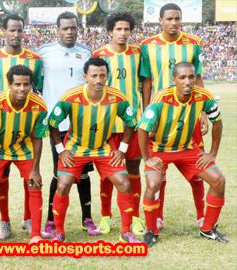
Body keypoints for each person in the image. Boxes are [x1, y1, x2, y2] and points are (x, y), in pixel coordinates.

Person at [49, 57, 139, 243]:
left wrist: (122, 149)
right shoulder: (70, 97)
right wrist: (61, 150)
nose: (98, 80)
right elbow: (52, 123)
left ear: (108, 76)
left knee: (124, 183)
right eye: (94, 75)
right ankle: (59, 232)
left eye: (102, 75)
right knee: (63, 185)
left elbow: (131, 123)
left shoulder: (117, 97)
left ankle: (125, 231)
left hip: (103, 147)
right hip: (75, 147)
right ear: (85, 76)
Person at [138, 62, 228, 247]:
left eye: (191, 77)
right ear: (174, 80)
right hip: (159, 150)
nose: (187, 82)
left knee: (218, 180)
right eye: (182, 77)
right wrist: (147, 158)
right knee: (153, 184)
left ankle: (208, 229)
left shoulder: (203, 96)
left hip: (187, 149)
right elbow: (142, 129)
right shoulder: (161, 98)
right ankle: (151, 231)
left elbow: (217, 123)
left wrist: (212, 153)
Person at [140, 3, 206, 229]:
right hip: (160, 116)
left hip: (189, 114)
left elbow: (197, 78)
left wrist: (204, 111)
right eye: (169, 19)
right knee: (159, 169)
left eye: (178, 18)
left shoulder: (193, 43)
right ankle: (157, 216)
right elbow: (146, 82)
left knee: (197, 168)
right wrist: (147, 111)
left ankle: (202, 215)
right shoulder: (147, 46)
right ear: (160, 20)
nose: (174, 23)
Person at [38, 11, 100, 238]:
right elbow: (37, 83)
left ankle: (87, 219)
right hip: (57, 125)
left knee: (83, 174)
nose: (70, 31)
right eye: (65, 28)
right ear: (57, 30)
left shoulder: (85, 52)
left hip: (82, 124)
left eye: (73, 27)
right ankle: (51, 221)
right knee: (59, 173)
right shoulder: (44, 53)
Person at [0, 14, 44, 239]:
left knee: (32, 178)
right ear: (4, 31)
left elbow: (35, 87)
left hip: (24, 132)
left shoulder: (35, 60)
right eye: (12, 30)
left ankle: (30, 221)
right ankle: (4, 222)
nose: (16, 34)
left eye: (20, 30)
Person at [0, 65, 48, 255]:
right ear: (9, 84)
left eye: (26, 84)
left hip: (24, 148)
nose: (21, 88)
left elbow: (38, 137)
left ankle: (35, 235)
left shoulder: (39, 105)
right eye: (17, 84)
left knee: (34, 184)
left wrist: (35, 169)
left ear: (31, 84)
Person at [93, 12, 144, 236]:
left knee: (133, 169)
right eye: (119, 29)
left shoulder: (138, 54)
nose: (123, 33)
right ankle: (106, 216)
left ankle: (134, 217)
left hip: (133, 124)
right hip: (107, 124)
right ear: (110, 31)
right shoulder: (100, 55)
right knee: (107, 173)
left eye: (127, 29)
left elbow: (145, 83)